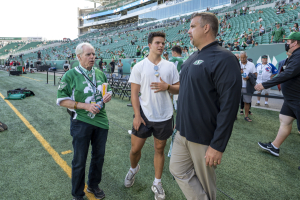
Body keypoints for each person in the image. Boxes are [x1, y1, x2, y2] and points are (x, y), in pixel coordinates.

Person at [169, 12, 241, 200]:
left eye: (192, 26)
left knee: (206, 186)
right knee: (177, 169)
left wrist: (218, 144)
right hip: (182, 132)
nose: (188, 31)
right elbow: (187, 93)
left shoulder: (224, 58)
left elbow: (230, 105)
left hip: (203, 137)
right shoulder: (192, 58)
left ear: (206, 28)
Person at [124, 31, 180, 200]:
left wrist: (167, 87)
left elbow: (179, 87)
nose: (161, 45)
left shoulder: (170, 66)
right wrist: (136, 115)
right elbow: (134, 94)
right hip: (144, 115)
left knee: (159, 149)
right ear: (149, 45)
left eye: (163, 43)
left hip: (164, 116)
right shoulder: (139, 66)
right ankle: (133, 169)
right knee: (135, 149)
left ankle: (157, 182)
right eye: (157, 43)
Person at [57, 43, 112, 200]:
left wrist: (106, 97)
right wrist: (85, 106)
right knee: (79, 160)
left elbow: (104, 94)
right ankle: (77, 194)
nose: (92, 57)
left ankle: (93, 185)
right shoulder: (70, 75)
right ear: (79, 56)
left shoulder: (100, 74)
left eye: (94, 54)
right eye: (88, 54)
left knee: (98, 156)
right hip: (81, 121)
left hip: (101, 121)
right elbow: (61, 100)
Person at [255, 32, 300, 156]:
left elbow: (287, 73)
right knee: (284, 119)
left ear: (295, 43)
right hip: (291, 99)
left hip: (298, 99)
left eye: (288, 41)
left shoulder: (298, 55)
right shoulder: (295, 56)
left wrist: (265, 84)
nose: (287, 43)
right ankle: (275, 146)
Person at [240, 51, 257, 122]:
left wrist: (248, 77)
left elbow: (255, 75)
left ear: (246, 57)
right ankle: (234, 116)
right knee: (234, 102)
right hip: (238, 86)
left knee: (247, 102)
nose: (242, 59)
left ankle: (246, 116)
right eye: (241, 57)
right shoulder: (237, 63)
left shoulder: (251, 64)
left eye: (244, 57)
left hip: (247, 86)